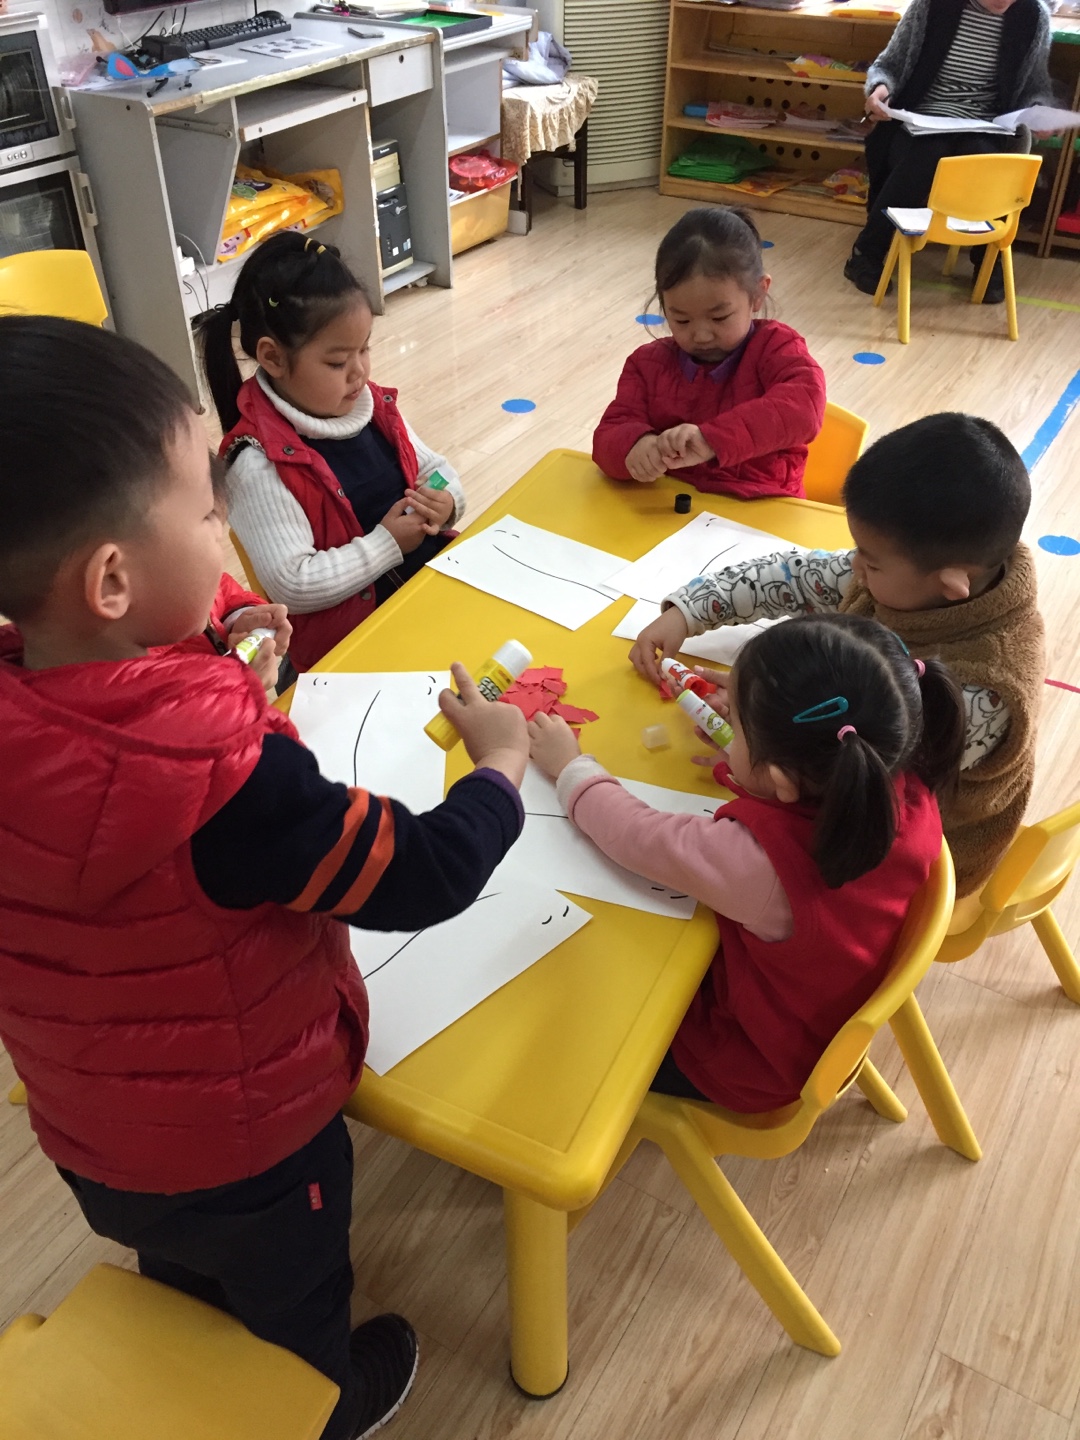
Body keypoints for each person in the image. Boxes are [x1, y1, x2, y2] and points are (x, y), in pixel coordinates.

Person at [0, 316, 530, 1440]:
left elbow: (100, 696)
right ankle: (321, 1404)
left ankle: (195, 1324)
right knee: (295, 1301)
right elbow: (424, 873)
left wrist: (219, 624)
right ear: (111, 578)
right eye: (208, 513)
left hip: (97, 1134)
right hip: (255, 1144)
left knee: (183, 1257)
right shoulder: (224, 786)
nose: (224, 530)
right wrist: (499, 769)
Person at [529, 613, 964, 1111]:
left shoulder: (756, 863)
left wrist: (570, 767)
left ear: (783, 779)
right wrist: (750, 758)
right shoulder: (901, 781)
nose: (724, 725)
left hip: (749, 1060)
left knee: (567, 1011)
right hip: (819, 1012)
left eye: (734, 725)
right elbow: (798, 801)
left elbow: (636, 836)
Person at [630, 412, 1045, 903]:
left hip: (914, 866)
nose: (854, 567)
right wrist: (688, 612)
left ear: (952, 585)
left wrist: (765, 731)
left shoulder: (985, 692)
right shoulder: (908, 575)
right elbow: (787, 576)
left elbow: (864, 783)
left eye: (869, 561)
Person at [196, 232, 466, 672]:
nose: (359, 371)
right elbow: (293, 583)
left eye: (365, 348)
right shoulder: (256, 463)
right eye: (338, 362)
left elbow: (436, 469)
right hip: (354, 655)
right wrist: (386, 544)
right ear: (273, 358)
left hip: (429, 603)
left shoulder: (372, 406)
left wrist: (447, 499)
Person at [592, 206, 826, 500]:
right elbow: (609, 435)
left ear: (758, 294)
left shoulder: (777, 347)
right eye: (681, 320)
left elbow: (805, 409)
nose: (701, 335)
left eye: (719, 317)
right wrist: (636, 446)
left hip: (763, 506)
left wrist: (712, 439)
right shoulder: (646, 364)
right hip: (672, 509)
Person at [845, 0, 1054, 304]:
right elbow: (889, 66)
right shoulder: (932, 5)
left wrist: (1038, 110)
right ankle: (868, 252)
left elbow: (1035, 86)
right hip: (921, 119)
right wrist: (879, 90)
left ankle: (987, 259)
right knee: (928, 154)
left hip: (985, 125)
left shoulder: (1032, 15)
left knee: (983, 159)